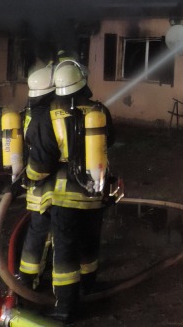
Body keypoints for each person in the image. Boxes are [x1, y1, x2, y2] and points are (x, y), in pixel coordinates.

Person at [45, 59, 115, 324]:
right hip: (94, 191)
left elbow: (45, 154)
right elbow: (110, 140)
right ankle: (89, 287)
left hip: (64, 194)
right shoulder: (99, 110)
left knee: (64, 249)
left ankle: (66, 307)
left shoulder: (50, 112)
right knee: (89, 243)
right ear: (82, 81)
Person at [16, 62, 59, 290]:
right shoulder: (47, 117)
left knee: (38, 231)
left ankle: (29, 278)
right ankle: (30, 280)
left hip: (35, 186)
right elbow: (45, 157)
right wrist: (32, 176)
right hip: (47, 184)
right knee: (44, 231)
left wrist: (25, 179)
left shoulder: (30, 113)